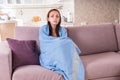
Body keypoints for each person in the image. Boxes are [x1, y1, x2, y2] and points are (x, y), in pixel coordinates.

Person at [39, 9, 85, 80]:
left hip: (61, 55)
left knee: (67, 43)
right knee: (66, 42)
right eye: (52, 16)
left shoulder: (63, 30)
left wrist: (60, 43)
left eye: (57, 16)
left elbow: (65, 45)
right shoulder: (43, 29)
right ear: (48, 18)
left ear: (59, 19)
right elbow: (45, 43)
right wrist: (59, 42)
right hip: (48, 55)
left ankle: (74, 75)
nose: (55, 18)